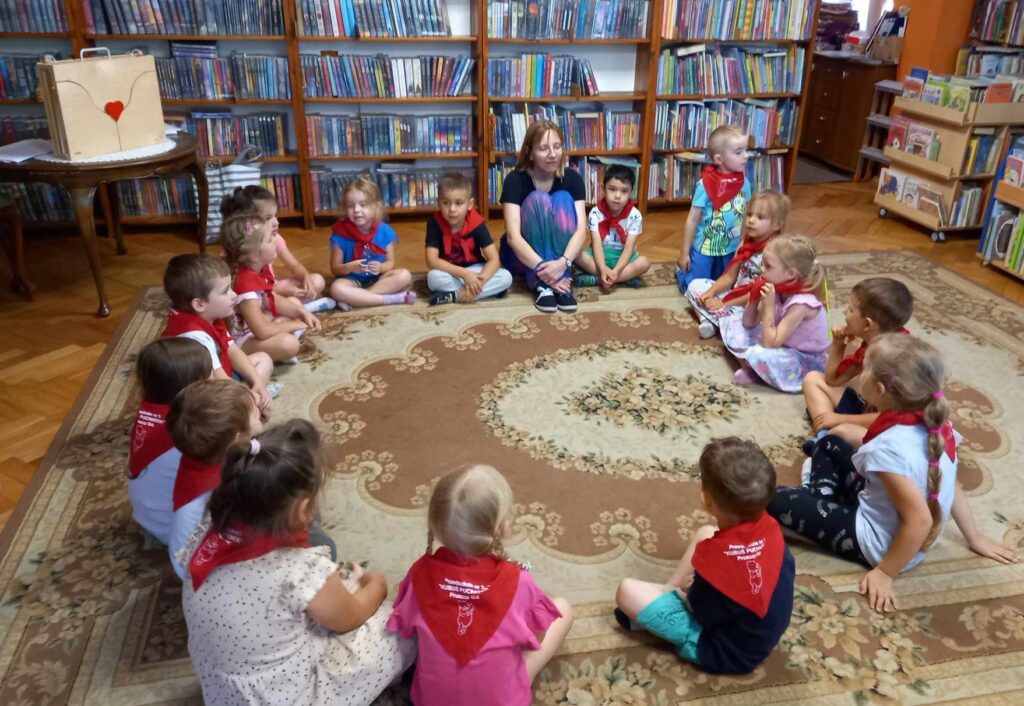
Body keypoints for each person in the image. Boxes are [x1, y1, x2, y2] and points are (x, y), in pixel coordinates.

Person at [768, 334, 1018, 612]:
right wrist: (974, 536)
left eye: (863, 368)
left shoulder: (888, 449)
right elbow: (950, 482)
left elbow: (920, 521)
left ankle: (819, 504)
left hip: (879, 543)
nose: (859, 373)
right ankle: (819, 500)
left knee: (768, 498)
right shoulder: (938, 426)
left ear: (878, 389)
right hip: (888, 512)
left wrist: (886, 572)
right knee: (830, 442)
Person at [181, 419, 414, 705]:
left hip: (225, 692)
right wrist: (377, 584)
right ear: (303, 509)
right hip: (286, 696)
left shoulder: (209, 535)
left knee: (330, 592)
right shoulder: (299, 571)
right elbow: (350, 616)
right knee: (398, 624)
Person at [387, 465, 573, 706]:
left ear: (434, 525)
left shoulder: (419, 574)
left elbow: (405, 630)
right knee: (563, 609)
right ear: (503, 527)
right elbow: (537, 636)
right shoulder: (519, 581)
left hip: (431, 701)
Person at [614, 437, 794, 674]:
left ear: (706, 500)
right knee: (706, 533)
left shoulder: (718, 577)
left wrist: (689, 590)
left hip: (725, 651)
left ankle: (663, 600)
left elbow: (697, 609)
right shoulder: (771, 531)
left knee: (627, 591)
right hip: (752, 625)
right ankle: (667, 589)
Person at [166, 378, 263, 578]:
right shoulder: (229, 487)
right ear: (237, 436)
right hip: (211, 575)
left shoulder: (202, 454)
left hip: (189, 562)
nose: (259, 406)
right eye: (255, 413)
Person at [802, 278, 913, 448]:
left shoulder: (895, 361)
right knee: (812, 379)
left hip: (892, 430)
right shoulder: (871, 343)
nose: (845, 313)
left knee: (844, 431)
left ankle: (831, 438)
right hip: (868, 410)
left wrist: (839, 419)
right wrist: (838, 345)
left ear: (867, 324)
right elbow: (832, 380)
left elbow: (893, 417)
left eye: (851, 309)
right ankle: (825, 436)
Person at [160, 253, 273, 414]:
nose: (234, 294)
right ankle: (251, 410)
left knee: (264, 360)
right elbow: (220, 382)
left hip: (217, 381)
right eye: (226, 291)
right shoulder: (195, 336)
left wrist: (257, 383)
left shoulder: (208, 316)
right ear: (199, 304)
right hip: (202, 399)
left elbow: (233, 350)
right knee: (246, 405)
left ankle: (253, 403)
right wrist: (251, 396)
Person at [497, 120, 588, 313]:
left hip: (560, 260)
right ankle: (542, 285)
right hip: (522, 258)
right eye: (543, 148)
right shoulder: (515, 180)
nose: (552, 154)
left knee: (563, 198)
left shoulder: (573, 179)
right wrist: (546, 272)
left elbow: (581, 231)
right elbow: (513, 237)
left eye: (557, 147)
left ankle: (558, 280)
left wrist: (563, 262)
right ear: (530, 153)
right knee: (538, 199)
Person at [128, 338, 212, 545]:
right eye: (207, 378)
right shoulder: (190, 432)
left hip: (149, 515)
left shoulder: (151, 412)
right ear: (193, 388)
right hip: (175, 528)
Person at [719, 235, 830, 391]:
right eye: (762, 264)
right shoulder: (777, 288)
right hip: (781, 343)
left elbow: (770, 344)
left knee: (758, 353)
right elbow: (748, 323)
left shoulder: (801, 304)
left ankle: (753, 370)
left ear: (790, 274)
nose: (761, 269)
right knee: (732, 321)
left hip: (805, 359)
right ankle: (755, 368)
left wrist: (769, 306)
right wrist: (754, 297)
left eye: (768, 266)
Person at [220, 211, 323, 365]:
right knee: (289, 344)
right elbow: (262, 331)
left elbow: (270, 299)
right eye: (270, 239)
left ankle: (285, 333)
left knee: (294, 303)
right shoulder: (246, 287)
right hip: (241, 341)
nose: (275, 240)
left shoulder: (256, 269)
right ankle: (271, 352)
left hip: (256, 324)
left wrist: (301, 312)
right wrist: (295, 324)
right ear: (255, 256)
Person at [685, 190, 789, 339]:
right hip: (734, 297)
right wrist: (711, 293)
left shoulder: (773, 255)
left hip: (752, 306)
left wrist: (723, 303)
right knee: (695, 286)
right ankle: (709, 322)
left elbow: (757, 294)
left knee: (746, 327)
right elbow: (729, 276)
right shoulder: (744, 245)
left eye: (760, 217)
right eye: (749, 215)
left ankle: (720, 322)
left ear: (777, 225)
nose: (751, 220)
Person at [219, 185, 334, 311]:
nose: (276, 222)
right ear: (247, 223)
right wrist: (283, 290)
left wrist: (306, 277)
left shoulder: (275, 238)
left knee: (317, 280)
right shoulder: (241, 247)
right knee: (289, 301)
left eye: (275, 215)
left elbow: (294, 265)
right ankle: (301, 308)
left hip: (272, 287)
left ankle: (295, 307)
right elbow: (244, 288)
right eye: (268, 218)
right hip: (253, 297)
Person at [675, 125, 752, 292]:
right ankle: (682, 273)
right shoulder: (705, 184)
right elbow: (692, 219)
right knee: (693, 288)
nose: (746, 156)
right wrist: (684, 252)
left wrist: (743, 243)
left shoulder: (744, 183)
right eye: (738, 152)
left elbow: (747, 214)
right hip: (705, 247)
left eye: (746, 150)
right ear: (719, 159)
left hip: (731, 247)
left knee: (725, 286)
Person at [328, 176, 416, 310]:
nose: (357, 210)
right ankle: (390, 299)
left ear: (376, 207)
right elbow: (335, 269)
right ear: (345, 208)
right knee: (336, 288)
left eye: (363, 205)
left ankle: (357, 299)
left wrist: (381, 268)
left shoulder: (385, 231)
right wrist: (349, 267)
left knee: (404, 275)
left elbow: (390, 263)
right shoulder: (340, 234)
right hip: (352, 281)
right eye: (351, 206)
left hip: (378, 280)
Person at [425, 172, 512, 305]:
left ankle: (454, 295)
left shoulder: (477, 224)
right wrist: (465, 275)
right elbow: (432, 261)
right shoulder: (434, 223)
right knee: (433, 278)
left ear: (470, 204)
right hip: (451, 271)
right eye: (446, 203)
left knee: (506, 277)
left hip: (476, 270)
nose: (452, 209)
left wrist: (478, 283)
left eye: (459, 203)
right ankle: (489, 291)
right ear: (438, 203)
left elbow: (494, 259)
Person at [574, 164, 651, 291]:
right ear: (603, 188)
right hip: (599, 257)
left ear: (631, 192)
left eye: (624, 191)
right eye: (612, 189)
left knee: (644, 263)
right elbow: (597, 244)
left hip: (623, 258)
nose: (617, 196)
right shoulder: (595, 212)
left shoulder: (635, 215)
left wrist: (617, 270)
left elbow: (629, 248)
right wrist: (603, 268)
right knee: (575, 254)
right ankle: (623, 278)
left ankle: (599, 279)